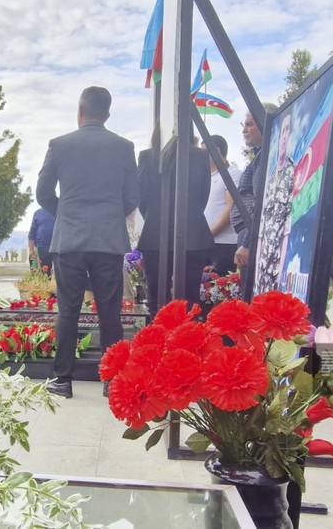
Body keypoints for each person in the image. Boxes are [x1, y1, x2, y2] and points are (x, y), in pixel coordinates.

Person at [36, 86, 138, 399]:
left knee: (67, 309)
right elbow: (133, 197)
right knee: (110, 311)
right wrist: (108, 216)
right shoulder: (124, 147)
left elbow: (42, 193)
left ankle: (63, 380)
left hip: (70, 241)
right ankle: (111, 380)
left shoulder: (59, 144)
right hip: (108, 240)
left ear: (80, 111)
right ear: (107, 114)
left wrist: (66, 214)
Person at [136, 125, 213, 319]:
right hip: (193, 233)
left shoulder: (148, 156)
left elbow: (141, 197)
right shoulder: (200, 157)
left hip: (155, 233)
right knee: (190, 299)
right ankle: (188, 342)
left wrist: (155, 217)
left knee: (156, 299)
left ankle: (158, 344)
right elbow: (203, 195)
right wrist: (189, 216)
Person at [230, 103, 277, 285]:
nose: (244, 130)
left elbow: (261, 201)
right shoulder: (259, 157)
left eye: (249, 124)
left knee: (251, 293)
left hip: (254, 236)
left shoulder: (266, 157)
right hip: (249, 232)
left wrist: (248, 243)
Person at [255, 112, 295, 294]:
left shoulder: (290, 171)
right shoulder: (270, 177)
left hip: (276, 264)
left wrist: (281, 271)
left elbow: (287, 227)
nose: (285, 135)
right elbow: (262, 230)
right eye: (283, 130)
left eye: (288, 129)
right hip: (262, 264)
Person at [203, 135, 243, 277]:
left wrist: (208, 233)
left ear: (216, 150)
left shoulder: (233, 174)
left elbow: (230, 208)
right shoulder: (206, 177)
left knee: (217, 292)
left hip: (224, 245)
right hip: (205, 244)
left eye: (203, 151)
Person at [28, 207, 55, 275]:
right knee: (42, 274)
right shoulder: (38, 213)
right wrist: (31, 250)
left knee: (60, 276)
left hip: (57, 248)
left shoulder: (60, 211)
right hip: (41, 248)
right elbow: (32, 233)